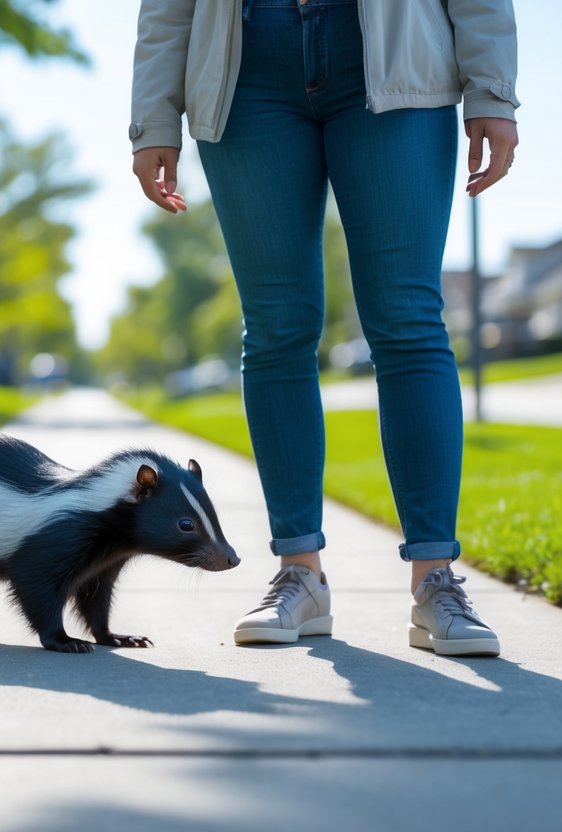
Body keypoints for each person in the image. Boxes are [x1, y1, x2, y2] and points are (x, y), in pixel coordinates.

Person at [130, 0, 518, 657]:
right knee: (277, 326)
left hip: (394, 59)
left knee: (407, 319)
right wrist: (152, 118)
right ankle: (298, 575)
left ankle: (436, 584)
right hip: (244, 68)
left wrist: (492, 91)